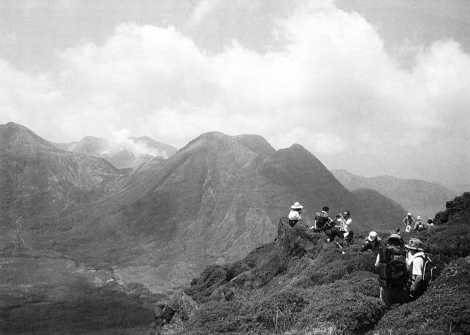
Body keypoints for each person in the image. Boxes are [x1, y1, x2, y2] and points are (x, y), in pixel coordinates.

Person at [375, 234, 409, 306]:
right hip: (399, 285)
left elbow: (376, 265)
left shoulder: (383, 251)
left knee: (384, 306)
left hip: (385, 285)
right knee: (398, 308)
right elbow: (407, 268)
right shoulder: (403, 252)